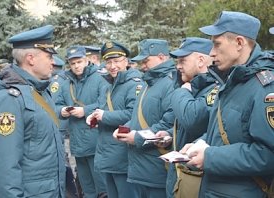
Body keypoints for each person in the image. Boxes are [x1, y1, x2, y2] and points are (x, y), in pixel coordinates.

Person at [180, 11, 274, 197]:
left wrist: (210, 156)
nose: (211, 52)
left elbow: (268, 155)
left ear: (239, 43)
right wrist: (201, 143)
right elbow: (228, 131)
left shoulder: (264, 88)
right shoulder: (234, 80)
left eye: (216, 44)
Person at [0, 25, 66, 197]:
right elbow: (5, 168)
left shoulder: (40, 91)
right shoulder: (7, 99)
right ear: (30, 58)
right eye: (49, 56)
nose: (53, 62)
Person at [114, 39, 179, 198]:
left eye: (146, 60)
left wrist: (136, 137)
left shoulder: (171, 83)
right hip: (139, 168)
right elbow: (139, 115)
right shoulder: (147, 83)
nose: (143, 65)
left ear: (162, 57)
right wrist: (126, 128)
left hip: (156, 168)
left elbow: (169, 123)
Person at [165, 37, 223, 198]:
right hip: (183, 173)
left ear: (201, 60)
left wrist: (182, 91)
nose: (178, 66)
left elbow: (193, 120)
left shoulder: (214, 88)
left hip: (197, 177)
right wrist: (169, 133)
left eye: (183, 60)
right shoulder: (195, 86)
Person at [86, 41, 144, 198]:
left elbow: (134, 114)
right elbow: (102, 107)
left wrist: (104, 116)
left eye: (117, 61)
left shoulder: (135, 84)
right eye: (109, 62)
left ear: (126, 61)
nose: (112, 66)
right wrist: (94, 116)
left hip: (123, 154)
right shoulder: (108, 86)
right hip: (107, 153)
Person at [56, 46, 107, 198]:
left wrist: (85, 111)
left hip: (96, 140)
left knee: (103, 188)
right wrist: (62, 110)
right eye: (73, 63)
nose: (76, 66)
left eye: (79, 61)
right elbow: (56, 104)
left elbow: (105, 103)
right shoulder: (66, 82)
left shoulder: (100, 78)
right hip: (77, 143)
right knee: (87, 188)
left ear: (87, 60)